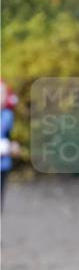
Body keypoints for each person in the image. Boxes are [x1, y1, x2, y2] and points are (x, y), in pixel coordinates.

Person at [1, 80, 19, 209]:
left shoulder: (8, 115)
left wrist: (12, 146)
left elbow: (9, 136)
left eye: (3, 94)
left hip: (3, 162)